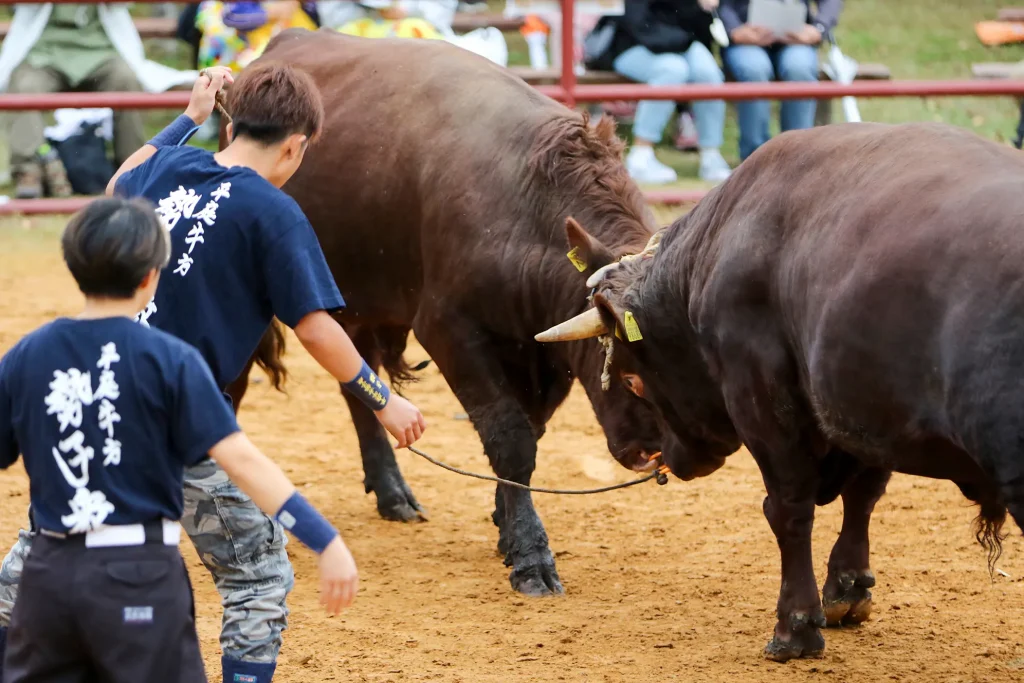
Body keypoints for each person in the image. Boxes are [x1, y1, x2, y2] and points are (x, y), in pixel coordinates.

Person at [0, 64, 426, 683]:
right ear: (295, 145)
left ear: (230, 124)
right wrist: (382, 398)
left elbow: (119, 184)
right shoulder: (274, 213)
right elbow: (313, 326)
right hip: (178, 411)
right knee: (257, 570)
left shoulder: (166, 168)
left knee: (48, 548)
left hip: (93, 386)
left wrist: (188, 118)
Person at [0, 197, 358, 682]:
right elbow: (242, 462)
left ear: (74, 267)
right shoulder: (172, 359)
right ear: (151, 276)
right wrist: (324, 540)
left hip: (47, 577)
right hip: (137, 578)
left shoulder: (27, 355)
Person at [0, 2, 197, 199]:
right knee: (23, 86)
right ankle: (28, 172)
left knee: (126, 80)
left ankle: (134, 168)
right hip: (43, 51)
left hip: (101, 49)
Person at [607, 0, 732, 185]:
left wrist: (705, 8)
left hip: (679, 42)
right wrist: (680, 41)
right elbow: (635, 22)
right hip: (631, 45)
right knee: (672, 69)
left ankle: (711, 156)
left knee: (708, 73)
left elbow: (703, 31)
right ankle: (640, 156)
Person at [719, 0, 841, 160]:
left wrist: (819, 28)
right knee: (754, 70)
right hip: (744, 37)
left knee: (799, 69)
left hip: (796, 37)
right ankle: (755, 160)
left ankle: (797, 156)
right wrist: (733, 29)